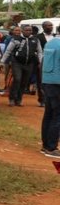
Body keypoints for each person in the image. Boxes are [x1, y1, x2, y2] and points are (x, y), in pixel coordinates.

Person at [1, 25, 37, 107]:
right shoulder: (16, 40)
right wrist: (2, 61)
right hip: (17, 63)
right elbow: (8, 51)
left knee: (24, 82)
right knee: (17, 79)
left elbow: (39, 52)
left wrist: (40, 61)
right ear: (22, 31)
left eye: (30, 30)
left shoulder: (35, 40)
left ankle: (19, 99)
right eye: (27, 30)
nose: (29, 32)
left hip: (29, 64)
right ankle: (12, 99)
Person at [40, 30, 60, 158]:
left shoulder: (50, 43)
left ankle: (45, 145)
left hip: (47, 81)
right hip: (58, 83)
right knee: (57, 116)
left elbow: (42, 63)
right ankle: (51, 147)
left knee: (48, 114)